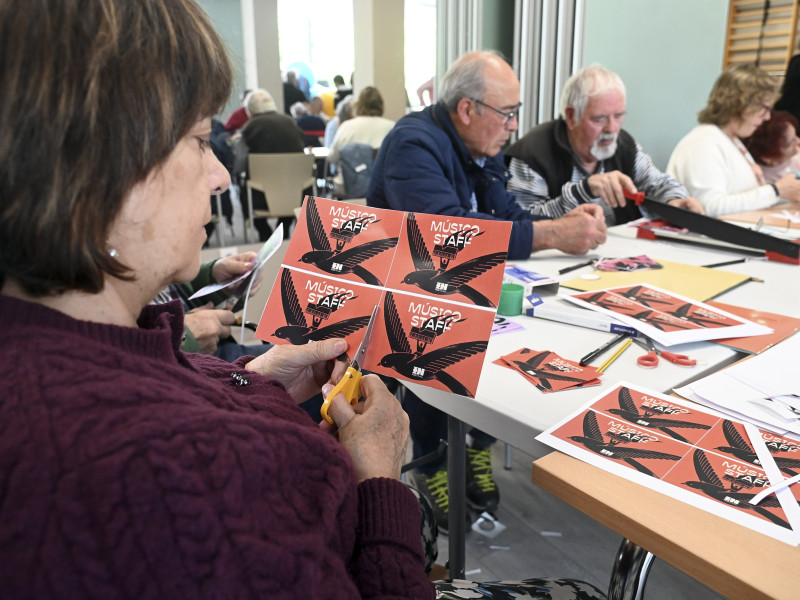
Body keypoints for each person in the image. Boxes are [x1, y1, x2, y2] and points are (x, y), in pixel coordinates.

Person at [0, 3, 611, 599]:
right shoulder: (185, 471)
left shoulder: (67, 349)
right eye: (198, 140)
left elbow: (161, 383)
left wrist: (250, 379)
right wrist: (379, 480)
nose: (218, 175)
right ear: (98, 172)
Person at [367, 50, 607, 531]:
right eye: (507, 113)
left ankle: (476, 446)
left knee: (514, 331)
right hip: (402, 299)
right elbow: (448, 236)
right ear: (467, 110)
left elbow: (506, 219)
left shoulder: (483, 150)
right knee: (438, 332)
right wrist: (551, 236)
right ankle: (432, 462)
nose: (513, 126)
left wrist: (559, 225)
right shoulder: (413, 143)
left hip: (464, 290)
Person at [506, 64, 704, 224]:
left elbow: (659, 184)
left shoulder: (624, 145)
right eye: (599, 119)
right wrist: (584, 190)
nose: (611, 128)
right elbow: (523, 222)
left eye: (618, 116)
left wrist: (676, 202)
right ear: (571, 115)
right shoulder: (532, 154)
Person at [667, 64, 800, 217]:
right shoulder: (704, 143)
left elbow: (748, 200)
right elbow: (708, 207)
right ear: (741, 104)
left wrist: (785, 194)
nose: (767, 117)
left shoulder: (732, 141)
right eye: (764, 108)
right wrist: (777, 190)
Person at [153, 252, 273, 362]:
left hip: (213, 351)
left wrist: (214, 280)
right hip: (188, 365)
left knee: (289, 357)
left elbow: (182, 294)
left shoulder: (152, 263)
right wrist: (185, 337)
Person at [234, 88, 305, 240]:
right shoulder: (291, 123)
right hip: (294, 195)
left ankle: (265, 234)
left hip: (261, 197)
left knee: (243, 185)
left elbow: (239, 165)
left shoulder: (249, 127)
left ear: (250, 111)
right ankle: (284, 228)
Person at [329, 86, 395, 197]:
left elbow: (332, 158)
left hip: (350, 190)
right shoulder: (392, 127)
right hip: (384, 190)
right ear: (381, 105)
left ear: (358, 105)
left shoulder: (346, 127)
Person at [743, 109, 800, 183]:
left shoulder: (795, 154)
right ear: (766, 158)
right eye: (789, 144)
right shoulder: (766, 181)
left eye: (795, 136)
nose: (798, 141)